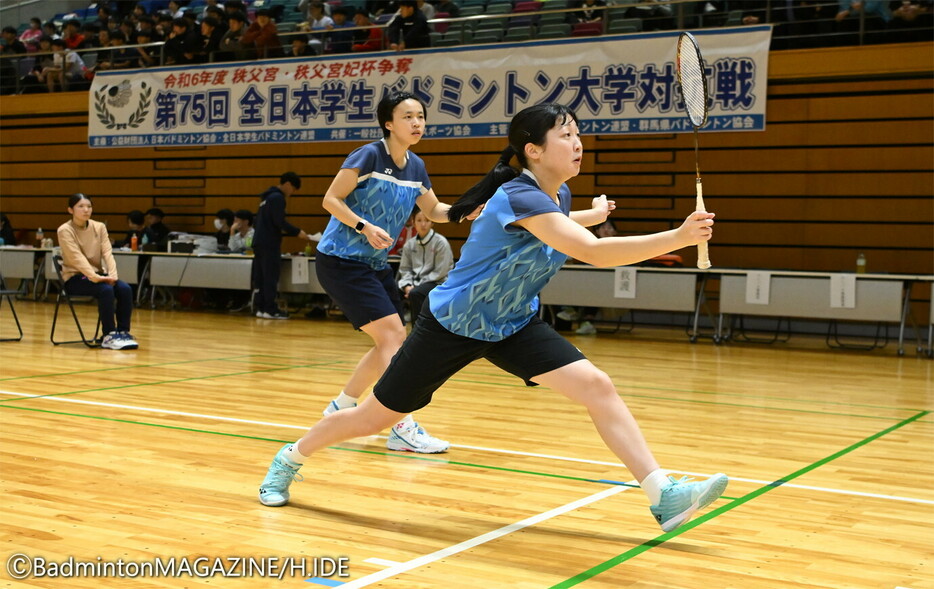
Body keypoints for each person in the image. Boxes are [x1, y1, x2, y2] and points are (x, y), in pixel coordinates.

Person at [258, 103, 727, 534]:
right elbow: (591, 252)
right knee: (374, 417)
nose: (578, 142)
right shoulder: (518, 195)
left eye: (578, 133)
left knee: (597, 386)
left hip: (513, 324)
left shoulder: (556, 194)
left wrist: (595, 211)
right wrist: (678, 236)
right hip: (453, 324)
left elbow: (563, 227)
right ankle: (290, 458)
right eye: (566, 134)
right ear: (533, 150)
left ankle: (661, 494)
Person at [310, 91, 482, 454]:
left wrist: (464, 211)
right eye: (408, 117)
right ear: (389, 123)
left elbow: (433, 209)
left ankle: (340, 407)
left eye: (420, 116)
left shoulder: (416, 166)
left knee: (390, 340)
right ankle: (401, 425)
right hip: (341, 261)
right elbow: (330, 199)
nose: (417, 122)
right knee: (393, 339)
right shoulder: (369, 155)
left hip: (374, 265)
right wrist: (364, 227)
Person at [57, 194, 139, 350]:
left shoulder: (99, 227)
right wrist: (94, 277)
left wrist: (113, 275)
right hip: (75, 278)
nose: (86, 210)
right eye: (81, 206)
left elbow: (108, 252)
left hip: (98, 275)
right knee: (106, 290)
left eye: (89, 206)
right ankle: (109, 335)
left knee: (124, 288)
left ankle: (123, 332)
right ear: (70, 210)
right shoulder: (65, 230)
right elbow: (76, 258)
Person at [252, 172, 315, 319]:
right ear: (287, 184)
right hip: (269, 243)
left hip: (259, 242)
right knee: (270, 276)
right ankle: (269, 309)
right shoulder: (278, 198)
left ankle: (261, 308)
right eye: (293, 189)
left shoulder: (266, 198)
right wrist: (297, 232)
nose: (291, 194)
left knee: (261, 277)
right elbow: (279, 221)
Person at [397, 209, 453, 325]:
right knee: (391, 290)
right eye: (419, 220)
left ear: (432, 222)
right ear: (413, 222)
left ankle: (417, 330)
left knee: (416, 293)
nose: (423, 224)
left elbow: (440, 272)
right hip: (414, 283)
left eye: (427, 220)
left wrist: (415, 286)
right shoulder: (409, 244)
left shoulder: (440, 242)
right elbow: (405, 269)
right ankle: (397, 330)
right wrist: (407, 285)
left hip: (438, 282)